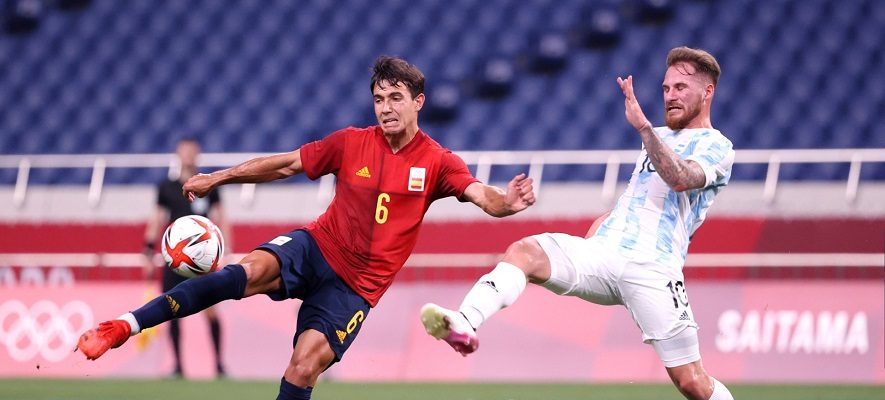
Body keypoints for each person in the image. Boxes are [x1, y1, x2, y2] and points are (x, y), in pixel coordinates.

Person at [76, 56, 536, 400]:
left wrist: (507, 202)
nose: (385, 108)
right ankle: (125, 325)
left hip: (357, 288)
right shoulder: (350, 142)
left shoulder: (438, 162)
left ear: (418, 102)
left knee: (304, 366)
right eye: (379, 99)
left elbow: (483, 196)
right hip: (316, 246)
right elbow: (284, 165)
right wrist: (220, 176)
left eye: (396, 98)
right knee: (243, 273)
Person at [420, 46, 735, 400]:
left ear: (707, 92)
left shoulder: (717, 146)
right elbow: (639, 198)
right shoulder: (657, 138)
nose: (670, 96)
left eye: (681, 88)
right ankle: (466, 321)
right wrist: (604, 226)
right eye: (666, 88)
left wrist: (645, 129)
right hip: (604, 255)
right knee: (526, 252)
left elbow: (680, 179)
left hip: (654, 271)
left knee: (691, 382)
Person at [142, 137, 230, 378]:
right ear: (178, 154)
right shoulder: (166, 187)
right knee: (172, 309)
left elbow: (222, 217)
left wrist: (225, 251)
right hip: (176, 259)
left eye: (192, 150)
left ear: (197, 154)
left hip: (203, 259)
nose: (188, 154)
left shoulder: (208, 184)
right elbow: (157, 218)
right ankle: (178, 366)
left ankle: (219, 365)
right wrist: (148, 250)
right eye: (184, 150)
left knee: (210, 310)